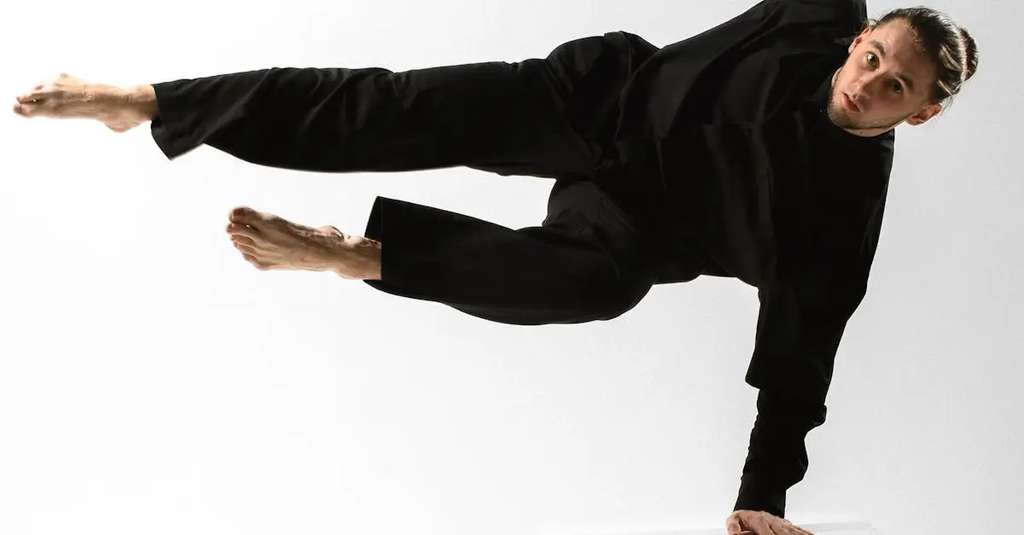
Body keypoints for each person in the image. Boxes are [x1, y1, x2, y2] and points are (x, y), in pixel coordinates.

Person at [11, 0, 978, 533]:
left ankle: (365, 255)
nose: (870, 83)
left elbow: (799, 364)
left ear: (923, 112)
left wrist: (762, 500)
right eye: (872, 57)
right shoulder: (817, 15)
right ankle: (148, 102)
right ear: (859, 37)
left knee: (598, 285)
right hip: (598, 102)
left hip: (633, 223)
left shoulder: (841, 219)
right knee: (393, 108)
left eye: (897, 86)